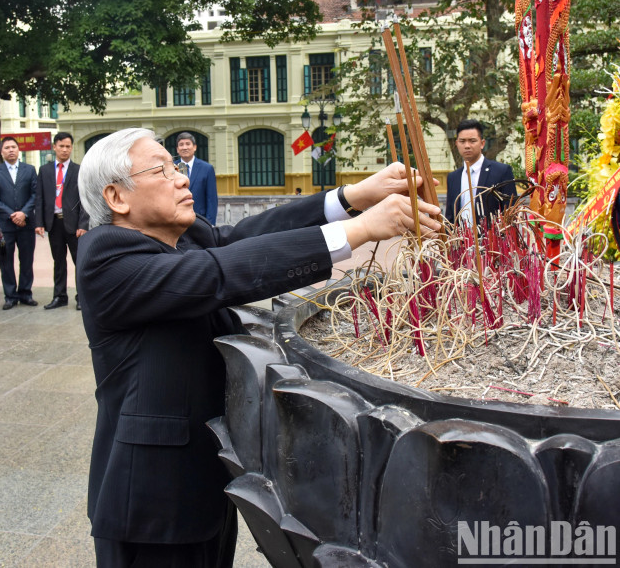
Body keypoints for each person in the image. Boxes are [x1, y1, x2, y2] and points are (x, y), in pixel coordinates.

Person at [76, 128, 441, 567]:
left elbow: (245, 237)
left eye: (176, 165)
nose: (181, 177)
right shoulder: (106, 257)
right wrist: (357, 231)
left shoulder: (180, 237)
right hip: (149, 503)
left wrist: (349, 197)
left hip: (203, 485)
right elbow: (221, 271)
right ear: (117, 197)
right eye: (162, 169)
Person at [35, 132, 87, 310]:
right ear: (54, 147)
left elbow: (84, 199)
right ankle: (59, 296)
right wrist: (39, 222)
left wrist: (83, 224)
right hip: (54, 223)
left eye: (68, 146)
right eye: (61, 146)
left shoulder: (78, 170)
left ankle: (82, 297)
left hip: (74, 225)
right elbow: (40, 198)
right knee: (58, 262)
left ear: (71, 148)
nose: (65, 150)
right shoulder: (45, 170)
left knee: (79, 262)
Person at [0, 137, 38, 310]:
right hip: (5, 226)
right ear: (2, 152)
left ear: (18, 150)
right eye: (7, 147)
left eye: (13, 147)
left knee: (27, 260)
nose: (11, 150)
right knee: (5, 261)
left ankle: (25, 293)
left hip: (26, 225)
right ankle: (10, 296)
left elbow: (35, 194)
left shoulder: (30, 170)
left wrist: (23, 213)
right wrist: (11, 214)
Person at [444, 119, 517, 225]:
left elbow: (511, 212)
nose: (467, 146)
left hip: (492, 239)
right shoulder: (453, 177)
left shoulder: (501, 171)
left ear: (482, 143)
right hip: (461, 239)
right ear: (456, 144)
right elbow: (450, 216)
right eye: (462, 141)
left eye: (472, 141)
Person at [176, 132, 218, 224]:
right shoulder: (172, 168)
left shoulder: (207, 168)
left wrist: (210, 224)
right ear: (177, 149)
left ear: (194, 147)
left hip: (200, 219)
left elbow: (211, 199)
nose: (185, 147)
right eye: (181, 145)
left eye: (188, 144)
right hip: (177, 219)